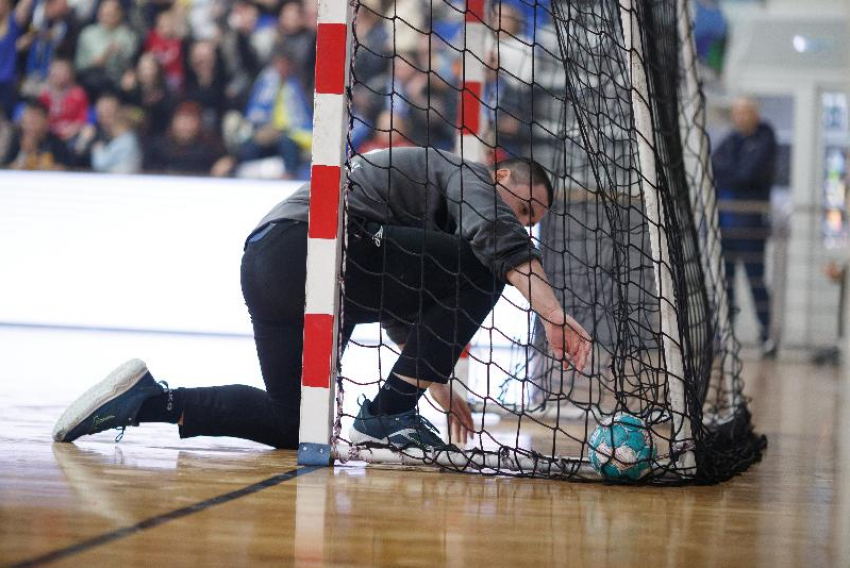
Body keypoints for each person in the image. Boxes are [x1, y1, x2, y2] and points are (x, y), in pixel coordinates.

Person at [53, 148, 592, 451]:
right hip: (317, 245)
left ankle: (145, 401)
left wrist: (441, 388)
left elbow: (407, 314)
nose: (523, 224)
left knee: (295, 422)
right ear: (499, 176)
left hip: (270, 264)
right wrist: (554, 313)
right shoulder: (465, 174)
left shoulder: (436, 227)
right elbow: (495, 241)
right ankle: (386, 413)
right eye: (524, 210)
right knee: (487, 265)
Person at [712, 97, 777, 357]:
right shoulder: (732, 141)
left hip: (751, 229)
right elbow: (715, 165)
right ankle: (724, 335)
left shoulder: (766, 140)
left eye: (744, 113)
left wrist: (732, 174)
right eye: (736, 113)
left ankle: (766, 336)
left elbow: (748, 174)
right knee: (725, 284)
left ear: (754, 114)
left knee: (755, 282)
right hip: (726, 227)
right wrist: (733, 174)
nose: (740, 118)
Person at [75, 0, 138, 98]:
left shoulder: (127, 36)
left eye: (112, 14)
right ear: (99, 14)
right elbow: (97, 63)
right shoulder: (89, 33)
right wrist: (109, 52)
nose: (107, 17)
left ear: (120, 15)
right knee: (97, 80)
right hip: (91, 75)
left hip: (118, 75)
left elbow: (130, 61)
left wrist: (129, 74)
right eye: (105, 14)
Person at [2, 98, 70, 169]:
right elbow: (7, 167)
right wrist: (24, 152)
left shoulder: (56, 143)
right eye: (28, 118)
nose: (31, 123)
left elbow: (66, 168)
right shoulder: (15, 139)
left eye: (35, 118)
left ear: (46, 120)